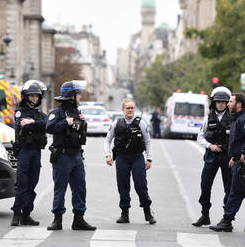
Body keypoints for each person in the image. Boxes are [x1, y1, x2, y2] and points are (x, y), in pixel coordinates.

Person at [209, 93, 245, 233]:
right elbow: (238, 141)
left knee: (235, 191)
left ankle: (227, 221)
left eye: (231, 101)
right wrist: (234, 157)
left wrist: (243, 152)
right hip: (240, 160)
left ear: (239, 104)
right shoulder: (237, 119)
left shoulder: (243, 119)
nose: (228, 104)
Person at [46, 81, 96, 231]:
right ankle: (57, 219)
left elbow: (80, 135)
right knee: (60, 188)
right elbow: (49, 128)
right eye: (78, 94)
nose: (80, 96)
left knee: (80, 188)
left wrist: (83, 124)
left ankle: (78, 219)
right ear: (71, 96)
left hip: (76, 156)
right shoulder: (58, 112)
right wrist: (64, 123)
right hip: (62, 156)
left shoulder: (77, 112)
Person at [104, 99, 156, 224]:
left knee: (141, 185)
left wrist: (149, 158)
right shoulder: (117, 123)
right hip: (122, 157)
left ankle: (147, 213)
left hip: (137, 157)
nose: (130, 110)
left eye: (132, 108)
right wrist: (107, 155)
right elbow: (107, 140)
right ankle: (124, 214)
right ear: (123, 110)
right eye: (128, 108)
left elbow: (148, 141)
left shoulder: (141, 124)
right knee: (123, 186)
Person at [192, 86, 232, 227]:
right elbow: (200, 137)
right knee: (205, 185)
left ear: (227, 103)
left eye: (223, 102)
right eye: (218, 101)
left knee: (229, 188)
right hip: (211, 155)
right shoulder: (208, 118)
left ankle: (227, 219)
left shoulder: (233, 119)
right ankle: (205, 215)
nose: (220, 104)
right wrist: (210, 146)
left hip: (227, 156)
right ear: (214, 103)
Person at [10, 81, 48, 226]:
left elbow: (47, 125)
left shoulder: (38, 114)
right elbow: (22, 126)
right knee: (22, 183)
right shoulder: (20, 111)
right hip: (24, 150)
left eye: (36, 96)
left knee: (32, 183)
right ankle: (16, 214)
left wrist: (32, 122)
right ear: (26, 96)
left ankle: (26, 214)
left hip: (36, 151)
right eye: (31, 96)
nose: (34, 98)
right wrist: (35, 125)